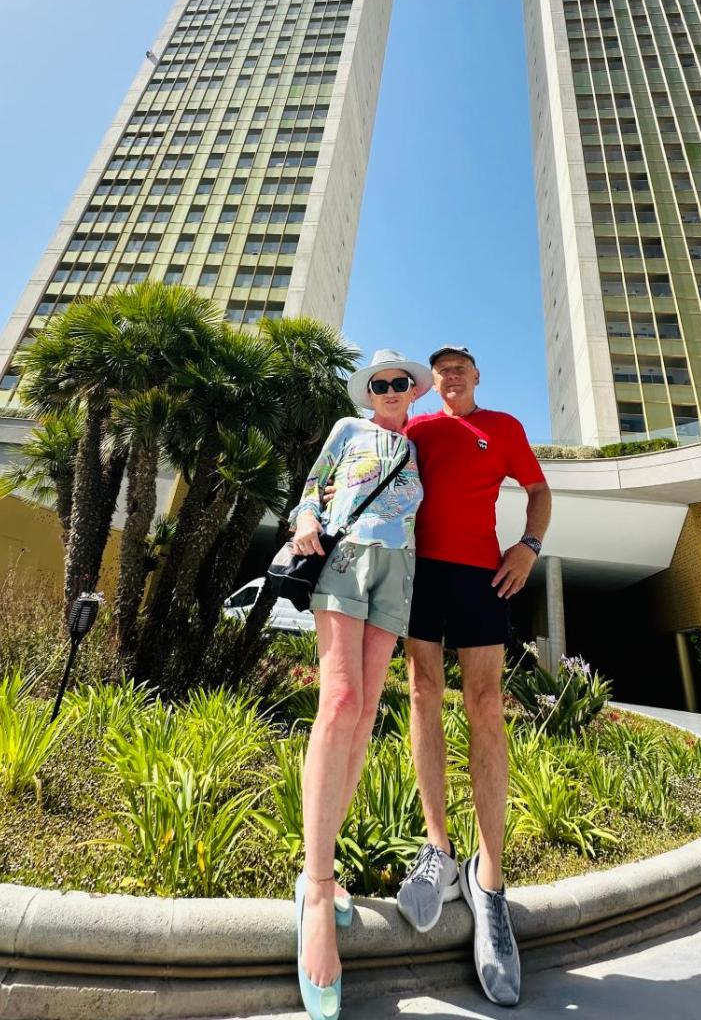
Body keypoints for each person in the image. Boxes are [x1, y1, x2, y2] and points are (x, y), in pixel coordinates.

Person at [396, 345, 552, 1007]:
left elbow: (538, 491)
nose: (452, 373)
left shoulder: (504, 427)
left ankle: (489, 881)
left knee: (485, 703)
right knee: (423, 692)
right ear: (432, 382)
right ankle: (438, 851)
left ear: (477, 376)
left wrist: (529, 546)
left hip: (480, 575)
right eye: (442, 368)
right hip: (418, 573)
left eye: (461, 365)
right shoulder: (415, 427)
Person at [289, 347, 431, 1020]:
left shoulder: (419, 446)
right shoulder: (349, 430)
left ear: (413, 390)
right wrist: (306, 519)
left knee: (367, 712)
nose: (391, 390)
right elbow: (312, 487)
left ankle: (323, 869)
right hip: (346, 557)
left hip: (399, 571)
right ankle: (317, 889)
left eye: (400, 382)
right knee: (340, 700)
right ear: (369, 391)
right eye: (381, 383)